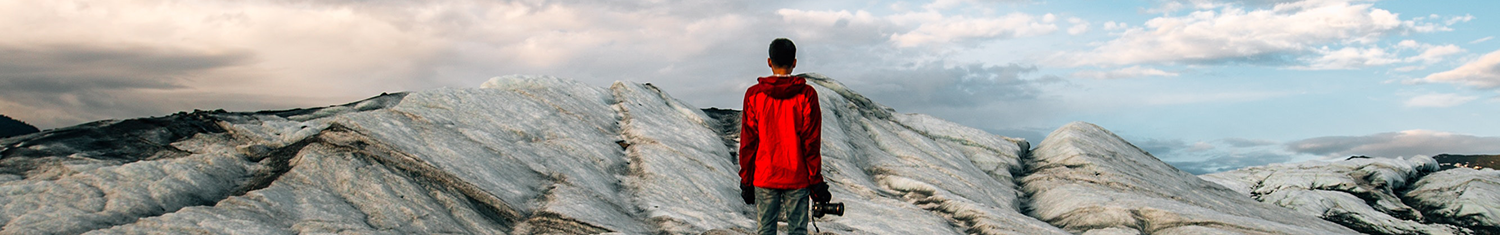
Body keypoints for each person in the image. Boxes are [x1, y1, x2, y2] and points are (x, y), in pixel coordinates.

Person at [739, 38, 831, 235]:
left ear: (769, 62)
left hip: (765, 175)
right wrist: (815, 180)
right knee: (798, 230)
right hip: (797, 176)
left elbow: (749, 142)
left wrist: (746, 179)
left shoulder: (754, 95)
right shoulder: (807, 95)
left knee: (765, 230)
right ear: (795, 62)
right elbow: (811, 142)